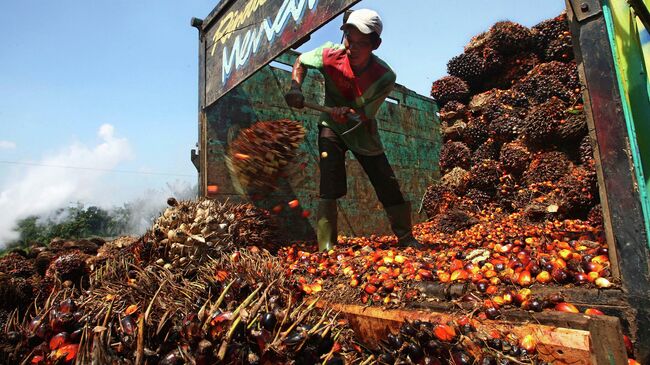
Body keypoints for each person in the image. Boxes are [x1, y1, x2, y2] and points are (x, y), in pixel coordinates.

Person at [285, 9, 422, 252]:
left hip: (363, 131)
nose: (352, 47)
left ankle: (406, 238)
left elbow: (364, 115)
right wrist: (296, 88)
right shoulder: (329, 55)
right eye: (349, 38)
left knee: (385, 182)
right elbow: (300, 62)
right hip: (331, 127)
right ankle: (326, 245)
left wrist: (348, 113)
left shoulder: (384, 77)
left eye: (362, 43)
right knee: (329, 180)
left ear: (375, 45)